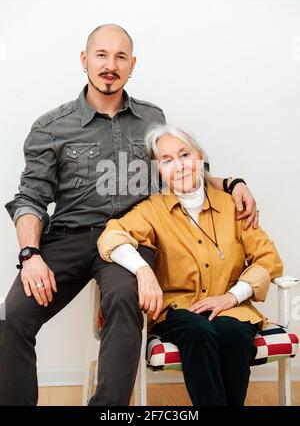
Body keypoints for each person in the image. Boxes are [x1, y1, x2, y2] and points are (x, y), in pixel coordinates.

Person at [1, 24, 257, 406]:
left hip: (131, 240)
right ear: (85, 60)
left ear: (132, 64)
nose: (110, 65)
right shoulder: (51, 126)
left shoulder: (152, 118)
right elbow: (31, 198)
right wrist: (30, 255)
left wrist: (233, 182)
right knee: (12, 317)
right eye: (101, 55)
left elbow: (181, 172)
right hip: (68, 238)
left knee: (124, 298)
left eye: (120, 56)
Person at [97, 124, 283, 406]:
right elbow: (110, 236)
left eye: (185, 155)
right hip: (177, 311)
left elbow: (268, 259)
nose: (180, 166)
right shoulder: (152, 210)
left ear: (200, 158)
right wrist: (142, 269)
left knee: (232, 334)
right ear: (158, 170)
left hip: (232, 309)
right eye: (167, 161)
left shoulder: (233, 205)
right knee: (200, 331)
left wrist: (232, 297)